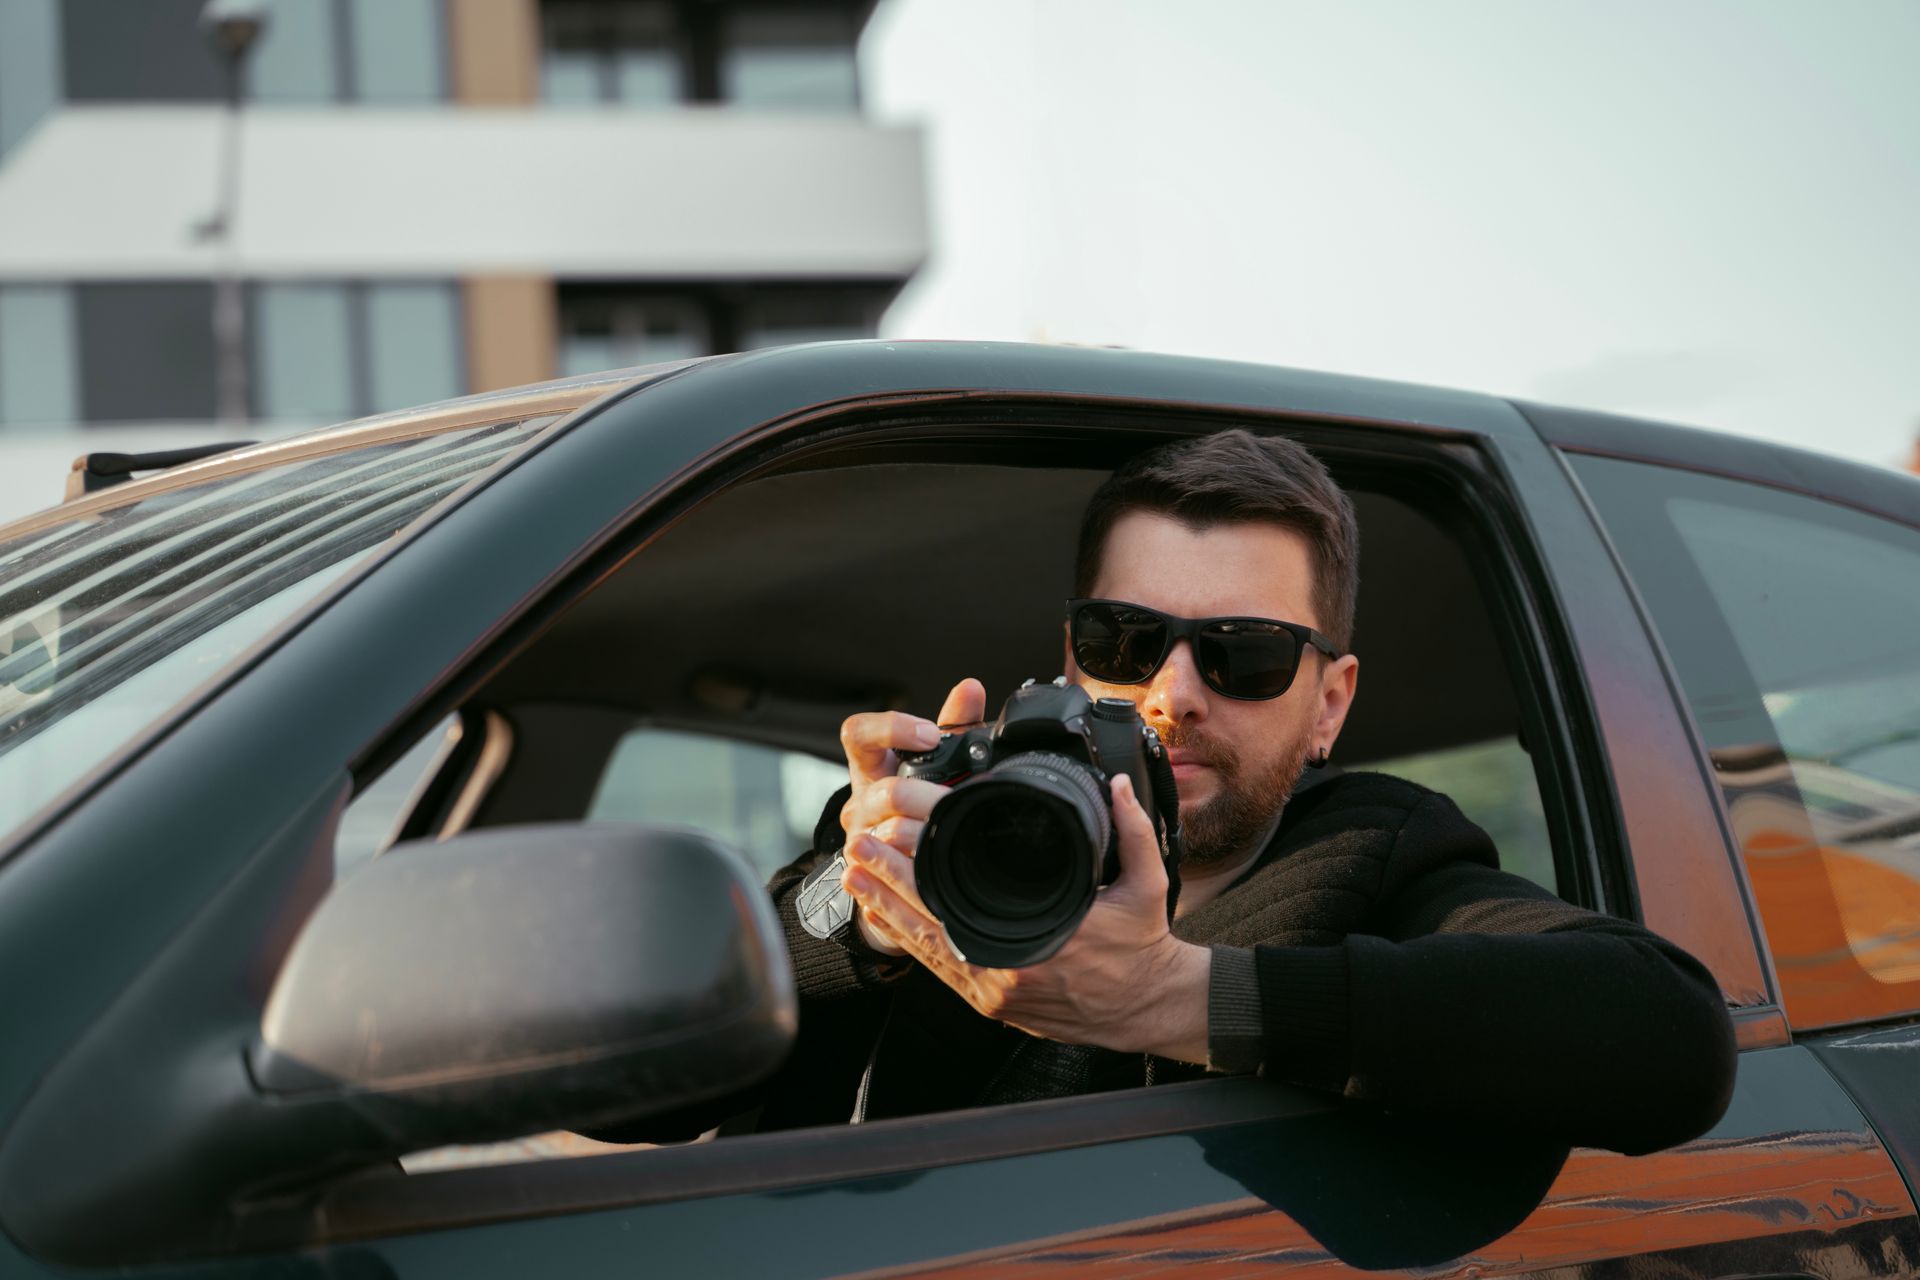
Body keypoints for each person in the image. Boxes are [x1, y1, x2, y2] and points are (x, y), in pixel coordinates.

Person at [663, 429, 1735, 1154]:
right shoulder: (945, 822)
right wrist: (860, 905)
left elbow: (1671, 1040)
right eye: (1124, 640)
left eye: (1246, 654)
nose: (1171, 695)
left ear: (1329, 704)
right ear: (1072, 660)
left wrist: (1176, 996)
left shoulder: (1380, 859)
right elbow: (643, 1094)